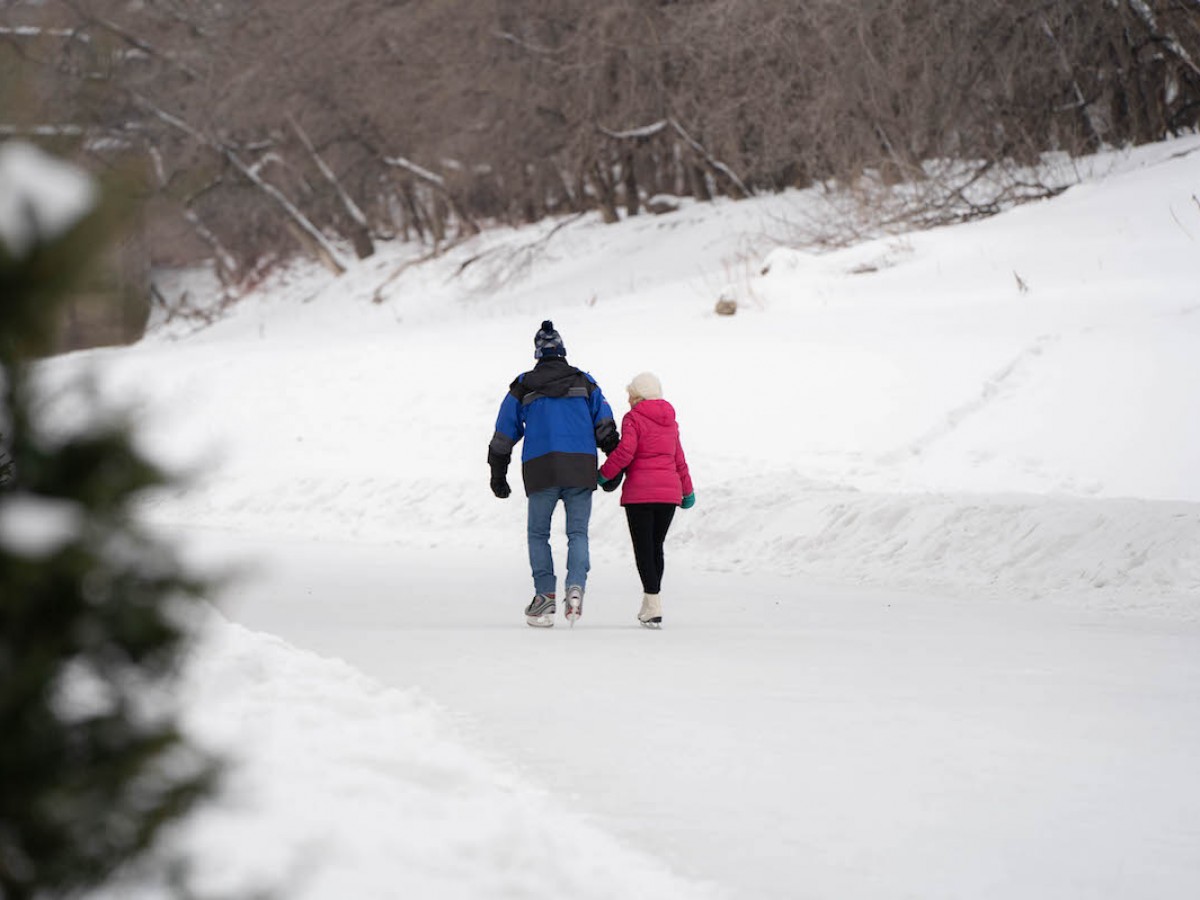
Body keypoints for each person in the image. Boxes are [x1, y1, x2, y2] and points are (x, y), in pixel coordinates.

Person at [488, 320, 619, 627]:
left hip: (541, 468)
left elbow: (503, 433)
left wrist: (498, 472)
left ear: (537, 354)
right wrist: (614, 464)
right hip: (580, 466)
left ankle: (545, 597)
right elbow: (606, 425)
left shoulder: (523, 385)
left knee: (538, 534)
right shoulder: (584, 382)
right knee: (578, 534)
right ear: (562, 351)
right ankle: (575, 588)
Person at [598, 372, 694, 628]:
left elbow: (626, 452)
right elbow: (679, 460)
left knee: (644, 550)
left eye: (630, 395)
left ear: (638, 396)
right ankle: (651, 603)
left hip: (640, 495)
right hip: (668, 494)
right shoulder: (671, 422)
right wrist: (688, 491)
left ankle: (653, 606)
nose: (628, 400)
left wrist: (603, 474)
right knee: (656, 546)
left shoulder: (634, 418)